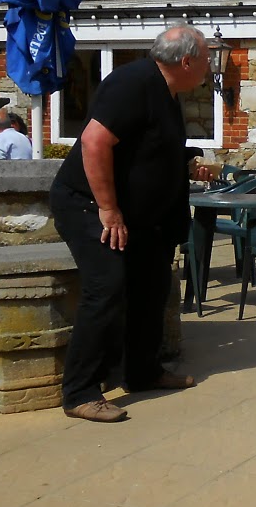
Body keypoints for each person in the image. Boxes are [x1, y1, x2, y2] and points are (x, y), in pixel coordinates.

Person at [50, 25, 209, 422]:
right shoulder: (132, 83)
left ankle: (143, 372)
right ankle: (81, 392)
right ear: (186, 61)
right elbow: (94, 142)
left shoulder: (169, 93)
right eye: (208, 57)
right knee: (106, 288)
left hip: (141, 216)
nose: (211, 64)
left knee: (151, 285)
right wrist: (109, 209)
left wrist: (188, 166)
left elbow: (150, 150)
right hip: (89, 206)